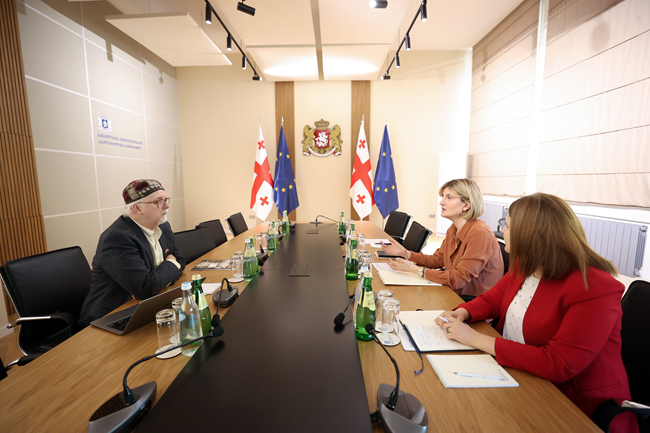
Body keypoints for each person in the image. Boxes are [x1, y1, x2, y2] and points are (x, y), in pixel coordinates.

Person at [434, 193, 637, 433]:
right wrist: (463, 312)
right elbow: (493, 300)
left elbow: (559, 363)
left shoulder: (594, 286)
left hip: (573, 403)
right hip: (517, 373)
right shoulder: (527, 264)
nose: (502, 230)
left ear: (531, 235)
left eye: (508, 225)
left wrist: (475, 339)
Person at [79, 179, 186, 327]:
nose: (166, 205)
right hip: (110, 317)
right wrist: (170, 265)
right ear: (137, 208)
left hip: (147, 305)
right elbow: (146, 287)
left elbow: (181, 261)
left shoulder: (163, 226)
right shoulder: (117, 238)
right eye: (158, 202)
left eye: (166, 199)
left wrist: (157, 281)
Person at [381, 178, 503, 299]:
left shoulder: (480, 233)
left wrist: (417, 270)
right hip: (453, 292)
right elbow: (437, 260)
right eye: (443, 197)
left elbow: (459, 279)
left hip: (471, 301)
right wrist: (405, 253)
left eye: (449, 197)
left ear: (466, 205)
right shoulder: (453, 229)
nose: (441, 202)